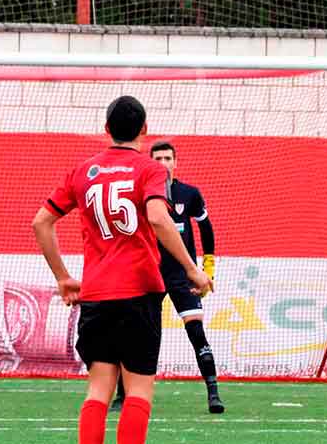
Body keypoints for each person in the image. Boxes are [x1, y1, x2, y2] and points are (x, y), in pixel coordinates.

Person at [32, 96, 212, 444]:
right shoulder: (150, 169)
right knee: (138, 391)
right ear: (144, 130)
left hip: (97, 296)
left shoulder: (82, 171)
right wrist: (192, 269)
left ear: (106, 131)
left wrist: (63, 278)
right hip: (139, 293)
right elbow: (159, 218)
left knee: (99, 390)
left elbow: (42, 222)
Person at [111, 140, 223, 414]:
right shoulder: (141, 196)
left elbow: (206, 230)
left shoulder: (190, 194)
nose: (163, 164)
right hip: (149, 273)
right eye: (157, 159)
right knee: (137, 334)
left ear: (176, 162)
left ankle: (214, 393)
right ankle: (122, 395)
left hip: (182, 276)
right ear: (151, 163)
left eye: (167, 159)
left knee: (196, 331)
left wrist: (207, 270)